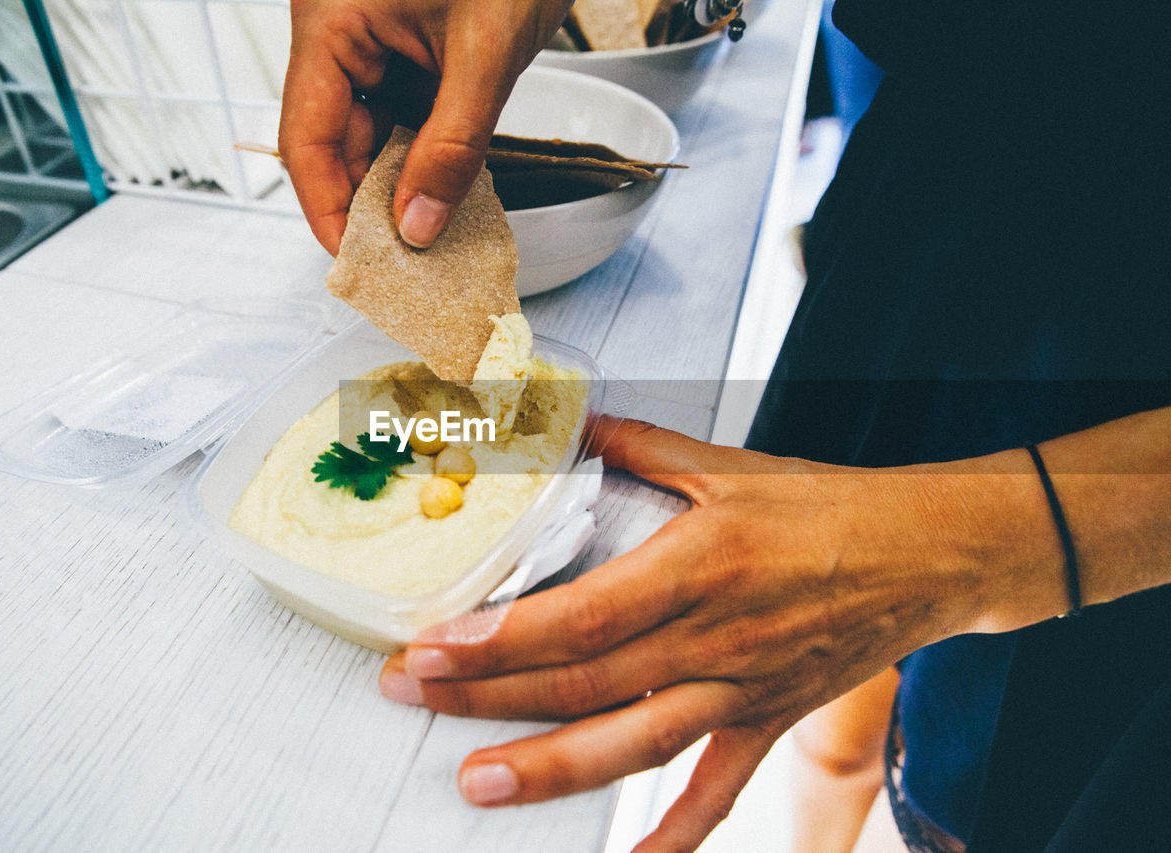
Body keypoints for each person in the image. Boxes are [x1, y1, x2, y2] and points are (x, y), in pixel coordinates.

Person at [279, 1, 1171, 850]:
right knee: (827, 699)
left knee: (965, 784)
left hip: (1123, 444)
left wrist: (987, 542)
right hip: (942, 189)